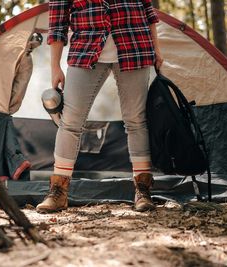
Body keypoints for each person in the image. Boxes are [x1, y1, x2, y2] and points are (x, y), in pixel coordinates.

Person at [36, 0, 163, 213]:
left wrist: (157, 49)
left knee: (136, 121)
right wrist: (55, 66)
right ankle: (58, 191)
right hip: (85, 50)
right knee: (70, 122)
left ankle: (142, 190)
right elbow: (57, 22)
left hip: (135, 46)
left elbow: (148, 11)